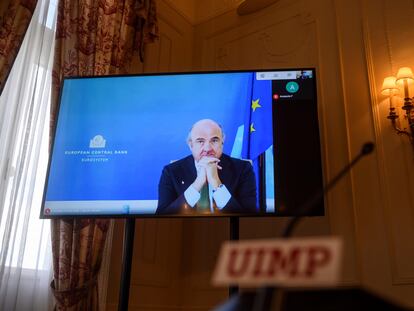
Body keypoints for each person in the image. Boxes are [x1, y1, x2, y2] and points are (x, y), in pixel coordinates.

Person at [156, 119, 257, 215]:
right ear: (191, 145)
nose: (207, 148)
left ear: (222, 142)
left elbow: (249, 217)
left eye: (214, 140)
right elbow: (162, 218)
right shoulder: (171, 172)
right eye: (200, 141)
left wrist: (216, 183)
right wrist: (197, 184)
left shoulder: (243, 169)